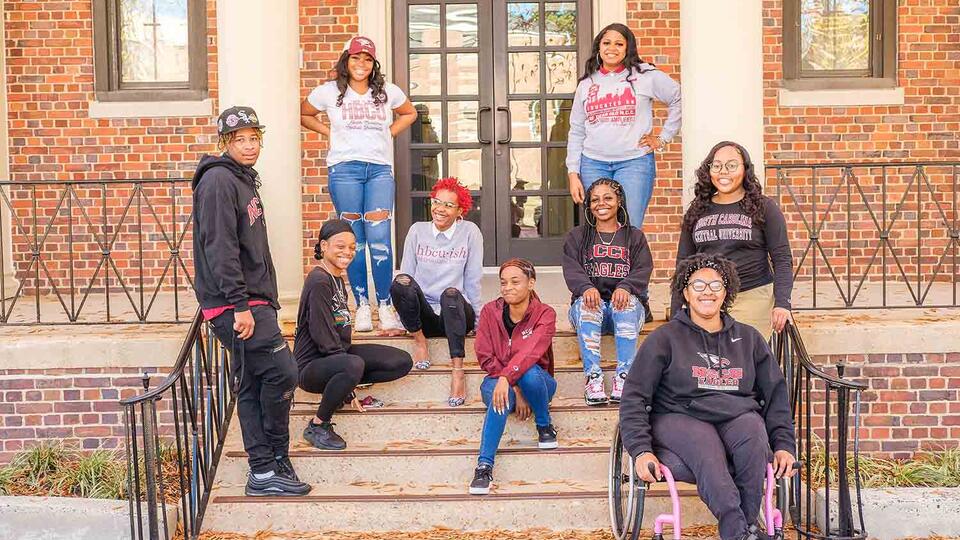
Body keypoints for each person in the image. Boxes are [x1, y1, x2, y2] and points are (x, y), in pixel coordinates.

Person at [619, 254, 797, 540]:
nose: (707, 292)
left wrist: (784, 444)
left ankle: (744, 528)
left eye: (716, 285)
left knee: (753, 431)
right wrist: (640, 450)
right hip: (679, 415)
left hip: (737, 414)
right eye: (698, 285)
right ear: (685, 292)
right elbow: (634, 397)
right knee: (705, 442)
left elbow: (775, 396)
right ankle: (739, 532)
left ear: (726, 292)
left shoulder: (749, 339)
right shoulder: (664, 338)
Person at [192, 106, 311, 496]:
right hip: (237, 305)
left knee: (254, 382)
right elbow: (220, 247)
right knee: (283, 373)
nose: (249, 145)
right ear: (225, 143)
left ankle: (267, 469)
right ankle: (270, 460)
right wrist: (239, 304)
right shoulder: (218, 182)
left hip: (253, 300)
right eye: (240, 139)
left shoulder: (244, 179)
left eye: (254, 138)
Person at [300, 36, 418, 333]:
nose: (361, 64)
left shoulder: (387, 92)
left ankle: (386, 304)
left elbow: (409, 113)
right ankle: (363, 305)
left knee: (379, 239)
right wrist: (330, 132)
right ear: (346, 61)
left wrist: (388, 133)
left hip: (379, 169)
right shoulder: (330, 92)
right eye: (355, 58)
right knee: (353, 241)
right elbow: (304, 113)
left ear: (373, 63)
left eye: (367, 59)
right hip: (344, 170)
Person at [295, 219, 413, 450]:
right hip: (311, 365)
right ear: (324, 246)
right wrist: (349, 390)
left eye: (352, 247)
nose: (347, 252)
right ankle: (318, 425)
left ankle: (337, 389)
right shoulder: (318, 280)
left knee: (400, 361)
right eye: (340, 246)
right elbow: (323, 335)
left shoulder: (337, 279)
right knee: (353, 364)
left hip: (338, 357)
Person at [566, 22, 681, 230]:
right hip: (592, 164)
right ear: (598, 47)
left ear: (628, 48)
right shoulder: (586, 84)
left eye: (619, 44)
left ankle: (630, 264)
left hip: (634, 163)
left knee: (630, 226)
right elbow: (576, 130)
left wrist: (662, 138)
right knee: (598, 227)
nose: (612, 48)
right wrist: (573, 172)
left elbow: (678, 97)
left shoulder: (645, 76)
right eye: (607, 43)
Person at [672, 141, 793, 336]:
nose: (723, 171)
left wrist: (782, 303)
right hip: (707, 298)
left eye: (731, 165)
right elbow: (682, 264)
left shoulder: (764, 207)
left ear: (745, 169)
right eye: (717, 165)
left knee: (741, 359)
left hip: (752, 296)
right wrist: (677, 312)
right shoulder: (697, 210)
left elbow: (782, 258)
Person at [389, 178, 482, 407]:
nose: (440, 209)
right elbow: (406, 276)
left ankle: (457, 372)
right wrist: (401, 321)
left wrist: (480, 320)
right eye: (437, 202)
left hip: (456, 312)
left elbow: (472, 279)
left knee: (450, 294)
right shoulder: (417, 231)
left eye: (449, 205)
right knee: (400, 281)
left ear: (460, 211)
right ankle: (420, 342)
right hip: (426, 316)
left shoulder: (470, 232)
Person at [469, 258, 558, 495]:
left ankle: (544, 425)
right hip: (496, 380)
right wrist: (510, 385)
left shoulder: (545, 314)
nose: (508, 287)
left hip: (538, 382)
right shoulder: (490, 311)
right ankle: (484, 465)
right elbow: (484, 355)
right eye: (503, 282)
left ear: (531, 283)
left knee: (528, 373)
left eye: (515, 281)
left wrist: (509, 378)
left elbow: (532, 353)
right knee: (503, 396)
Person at [562, 178, 652, 406]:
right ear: (589, 205)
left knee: (627, 303)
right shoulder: (578, 237)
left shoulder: (634, 236)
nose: (601, 203)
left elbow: (643, 269)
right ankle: (593, 377)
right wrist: (586, 288)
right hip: (593, 311)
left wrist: (626, 286)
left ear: (619, 201)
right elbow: (572, 269)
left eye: (608, 198)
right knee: (587, 304)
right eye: (595, 199)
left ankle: (625, 377)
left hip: (625, 312)